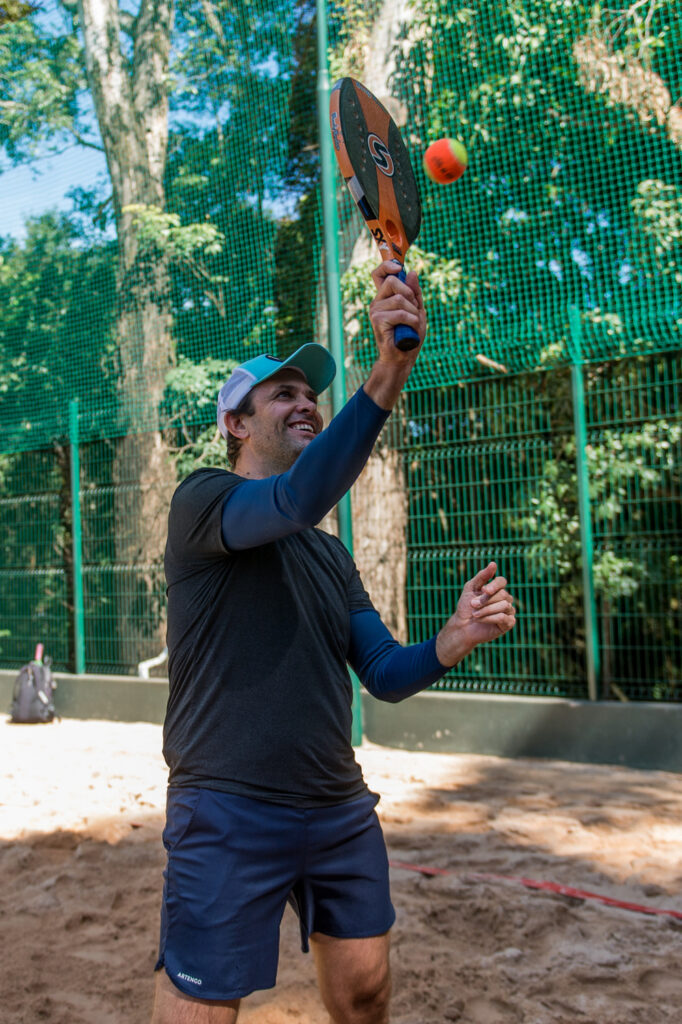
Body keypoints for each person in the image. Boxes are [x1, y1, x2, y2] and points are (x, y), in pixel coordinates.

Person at [152, 262, 516, 1024]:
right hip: (227, 805)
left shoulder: (328, 554)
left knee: (365, 995)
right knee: (201, 1011)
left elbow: (382, 670)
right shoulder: (203, 501)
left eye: (310, 394)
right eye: (283, 394)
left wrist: (451, 640)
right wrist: (387, 374)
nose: (305, 404)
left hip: (336, 806)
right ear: (236, 425)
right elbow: (295, 496)